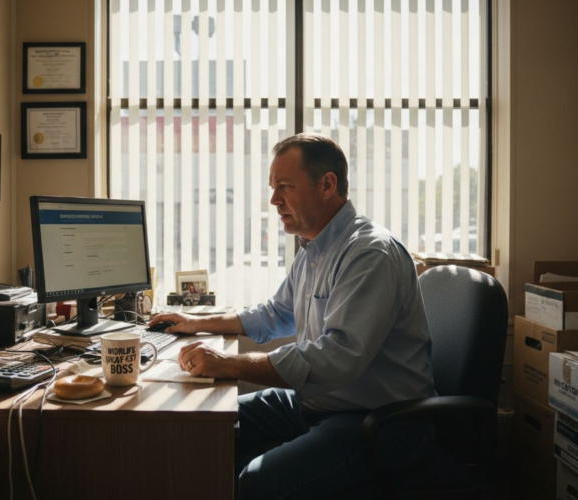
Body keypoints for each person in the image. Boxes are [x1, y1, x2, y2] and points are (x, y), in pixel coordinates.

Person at [149, 133, 435, 498]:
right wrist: (198, 323)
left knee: (258, 481)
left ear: (327, 184)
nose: (273, 200)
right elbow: (276, 314)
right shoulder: (314, 247)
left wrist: (229, 364)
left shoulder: (369, 254)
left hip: (382, 421)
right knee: (205, 426)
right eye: (273, 187)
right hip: (324, 402)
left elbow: (337, 358)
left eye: (284, 186)